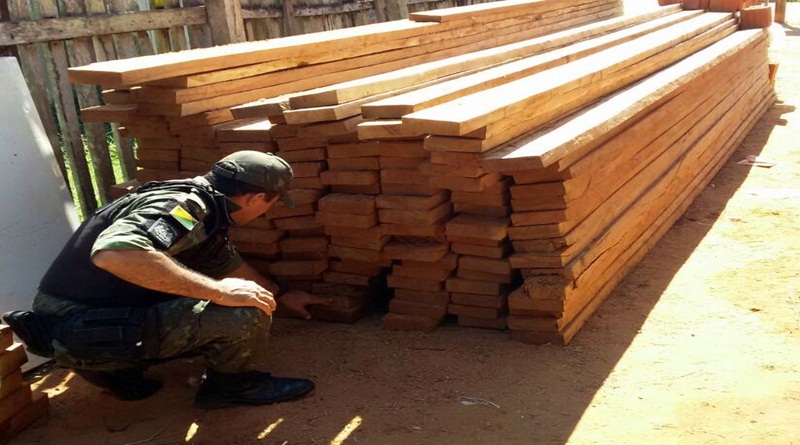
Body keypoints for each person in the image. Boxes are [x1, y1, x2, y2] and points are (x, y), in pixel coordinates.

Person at [3, 150, 330, 409]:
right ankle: (231, 388)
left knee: (237, 291)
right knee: (244, 309)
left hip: (80, 319)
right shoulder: (184, 206)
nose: (268, 212)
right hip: (78, 324)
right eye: (271, 204)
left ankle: (117, 373)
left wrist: (283, 294)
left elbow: (229, 266)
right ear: (257, 198)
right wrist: (220, 293)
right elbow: (115, 253)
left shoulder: (203, 209)